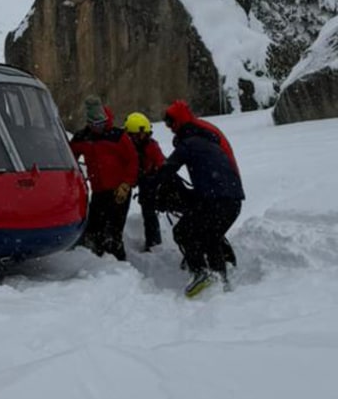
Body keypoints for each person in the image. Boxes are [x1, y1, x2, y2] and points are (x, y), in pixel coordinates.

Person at [147, 100, 243, 297]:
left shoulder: (190, 143)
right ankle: (220, 279)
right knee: (210, 236)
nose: (170, 129)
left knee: (184, 231)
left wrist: (150, 185)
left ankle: (201, 273)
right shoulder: (205, 139)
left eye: (170, 123)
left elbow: (168, 168)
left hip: (217, 200)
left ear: (179, 122)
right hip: (232, 200)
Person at [69, 95, 138, 260]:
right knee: (94, 229)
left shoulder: (118, 136)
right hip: (99, 191)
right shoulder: (82, 138)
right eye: (94, 124)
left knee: (114, 231)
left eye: (101, 123)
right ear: (89, 123)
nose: (98, 128)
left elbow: (132, 161)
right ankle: (97, 261)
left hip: (119, 191)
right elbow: (70, 157)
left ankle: (119, 263)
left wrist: (126, 184)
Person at [124, 112, 166, 251]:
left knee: (149, 212)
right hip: (129, 179)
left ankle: (153, 242)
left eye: (144, 134)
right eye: (138, 134)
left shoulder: (151, 146)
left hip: (149, 180)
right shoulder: (125, 146)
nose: (142, 137)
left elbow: (161, 163)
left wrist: (156, 179)